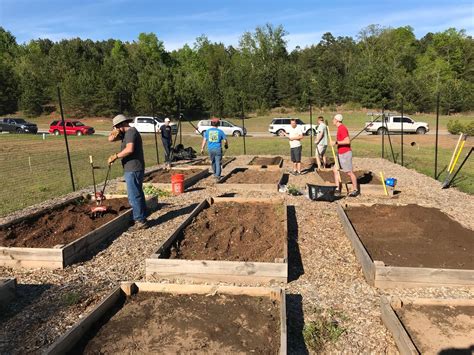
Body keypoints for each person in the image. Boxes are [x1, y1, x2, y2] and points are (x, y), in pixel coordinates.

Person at [108, 114, 149, 230]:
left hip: (133, 168)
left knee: (134, 195)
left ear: (121, 125)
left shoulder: (131, 132)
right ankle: (142, 216)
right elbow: (110, 139)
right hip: (133, 168)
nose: (115, 129)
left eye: (116, 126)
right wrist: (113, 133)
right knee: (137, 193)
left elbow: (129, 149)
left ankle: (140, 221)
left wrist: (116, 156)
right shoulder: (126, 133)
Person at [331, 113, 359, 197]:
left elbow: (347, 141)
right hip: (340, 153)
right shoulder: (339, 128)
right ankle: (337, 189)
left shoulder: (342, 128)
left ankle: (355, 190)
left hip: (345, 153)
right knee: (335, 170)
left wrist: (336, 142)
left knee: (349, 172)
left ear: (337, 120)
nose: (332, 120)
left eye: (333, 119)